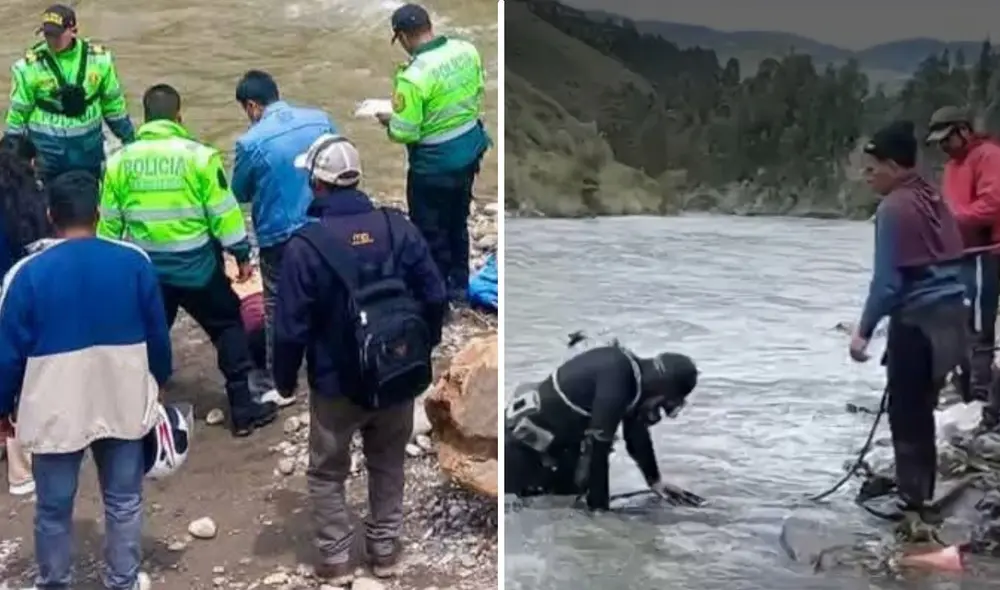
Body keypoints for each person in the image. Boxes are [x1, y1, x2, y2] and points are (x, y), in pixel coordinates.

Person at [273, 135, 446, 585]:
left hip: (336, 385)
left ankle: (335, 558)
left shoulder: (305, 246)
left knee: (327, 471)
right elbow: (434, 294)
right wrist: (421, 349)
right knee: (388, 462)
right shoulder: (397, 227)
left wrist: (285, 380)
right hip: (397, 374)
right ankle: (384, 551)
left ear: (317, 184)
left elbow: (289, 328)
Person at [0, 170, 170, 590]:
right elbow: (158, 337)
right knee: (124, 500)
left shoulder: (25, 274)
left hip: (55, 404)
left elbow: (8, 354)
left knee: (53, 509)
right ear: (98, 213)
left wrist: (4, 407)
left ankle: (54, 583)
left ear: (50, 215)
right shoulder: (134, 262)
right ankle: (123, 581)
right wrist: (158, 383)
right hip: (122, 395)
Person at [98, 83, 278, 437]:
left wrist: (109, 273)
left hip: (149, 271)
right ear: (178, 117)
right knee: (227, 327)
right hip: (198, 268)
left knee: (146, 337)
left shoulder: (119, 161)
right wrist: (241, 254)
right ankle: (244, 410)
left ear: (145, 118)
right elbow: (223, 213)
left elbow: (110, 225)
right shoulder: (200, 157)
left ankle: (136, 413)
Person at [851, 120, 968, 521]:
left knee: (906, 412)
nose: (866, 176)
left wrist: (863, 332)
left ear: (893, 166)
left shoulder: (893, 208)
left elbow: (887, 283)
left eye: (871, 169)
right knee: (923, 408)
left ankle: (912, 500)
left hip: (918, 323)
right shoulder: (932, 197)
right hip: (952, 320)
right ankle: (921, 490)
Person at [232, 70, 338, 408]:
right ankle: (330, 361)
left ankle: (278, 382)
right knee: (326, 292)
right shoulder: (320, 120)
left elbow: (239, 192)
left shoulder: (250, 142)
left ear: (252, 106)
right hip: (324, 223)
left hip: (279, 234)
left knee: (277, 307)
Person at [504, 343, 703, 512]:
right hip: (522, 451)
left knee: (566, 505)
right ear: (662, 389)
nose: (659, 411)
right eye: (665, 404)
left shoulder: (631, 376)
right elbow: (597, 451)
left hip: (556, 447)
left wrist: (655, 481)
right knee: (520, 510)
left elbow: (636, 434)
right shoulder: (617, 381)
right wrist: (600, 513)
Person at [380, 3, 491, 304]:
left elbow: (406, 132)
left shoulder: (413, 77)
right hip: (469, 153)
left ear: (403, 37)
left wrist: (389, 121)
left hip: (433, 167)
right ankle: (460, 287)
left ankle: (436, 297)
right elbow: (477, 91)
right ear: (430, 26)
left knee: (430, 232)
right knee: (457, 222)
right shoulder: (466, 50)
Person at [926, 106, 1000, 433]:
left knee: (981, 325)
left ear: (965, 131)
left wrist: (954, 218)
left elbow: (993, 203)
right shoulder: (951, 166)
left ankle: (981, 398)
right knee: (960, 322)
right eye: (939, 140)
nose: (943, 145)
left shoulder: (988, 156)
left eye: (947, 138)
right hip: (961, 255)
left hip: (988, 251)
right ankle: (966, 391)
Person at [4, 4, 135, 183]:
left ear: (73, 31)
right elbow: (18, 115)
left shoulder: (99, 61)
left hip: (88, 154)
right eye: (47, 34)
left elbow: (113, 106)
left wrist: (131, 141)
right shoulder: (28, 68)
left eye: (57, 35)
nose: (51, 40)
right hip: (46, 156)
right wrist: (9, 157)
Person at [0, 135, 50, 497]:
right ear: (31, 163)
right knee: (23, 375)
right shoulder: (35, 200)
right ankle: (21, 469)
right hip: (21, 293)